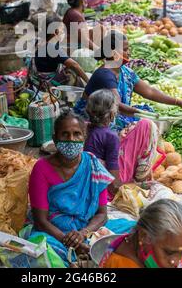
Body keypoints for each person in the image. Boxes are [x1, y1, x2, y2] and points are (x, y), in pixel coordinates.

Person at [27, 110, 113, 265]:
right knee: (41, 256)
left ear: (84, 138)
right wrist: (71, 242)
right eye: (65, 134)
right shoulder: (41, 168)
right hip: (54, 233)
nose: (71, 140)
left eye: (76, 134)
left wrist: (83, 234)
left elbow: (102, 214)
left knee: (127, 238)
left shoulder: (94, 166)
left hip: (87, 229)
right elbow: (40, 220)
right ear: (55, 138)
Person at [74, 30, 182, 130]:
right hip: (93, 120)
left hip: (112, 115)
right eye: (125, 49)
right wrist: (145, 115)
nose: (129, 53)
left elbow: (150, 92)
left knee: (145, 116)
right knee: (143, 124)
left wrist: (181, 103)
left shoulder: (125, 72)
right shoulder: (104, 74)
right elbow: (117, 105)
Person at [84, 90, 159, 197]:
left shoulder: (85, 127)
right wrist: (137, 186)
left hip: (89, 179)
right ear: (111, 114)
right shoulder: (110, 136)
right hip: (103, 187)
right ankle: (139, 176)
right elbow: (114, 185)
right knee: (147, 125)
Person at [100, 199, 182, 268]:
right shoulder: (119, 264)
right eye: (169, 253)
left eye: (181, 252)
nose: (176, 262)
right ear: (144, 236)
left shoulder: (171, 245)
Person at [31, 14, 89, 87]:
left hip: (38, 78)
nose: (63, 31)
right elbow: (75, 65)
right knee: (71, 72)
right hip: (46, 83)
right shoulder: (52, 48)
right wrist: (88, 81)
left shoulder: (39, 41)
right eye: (62, 29)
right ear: (55, 32)